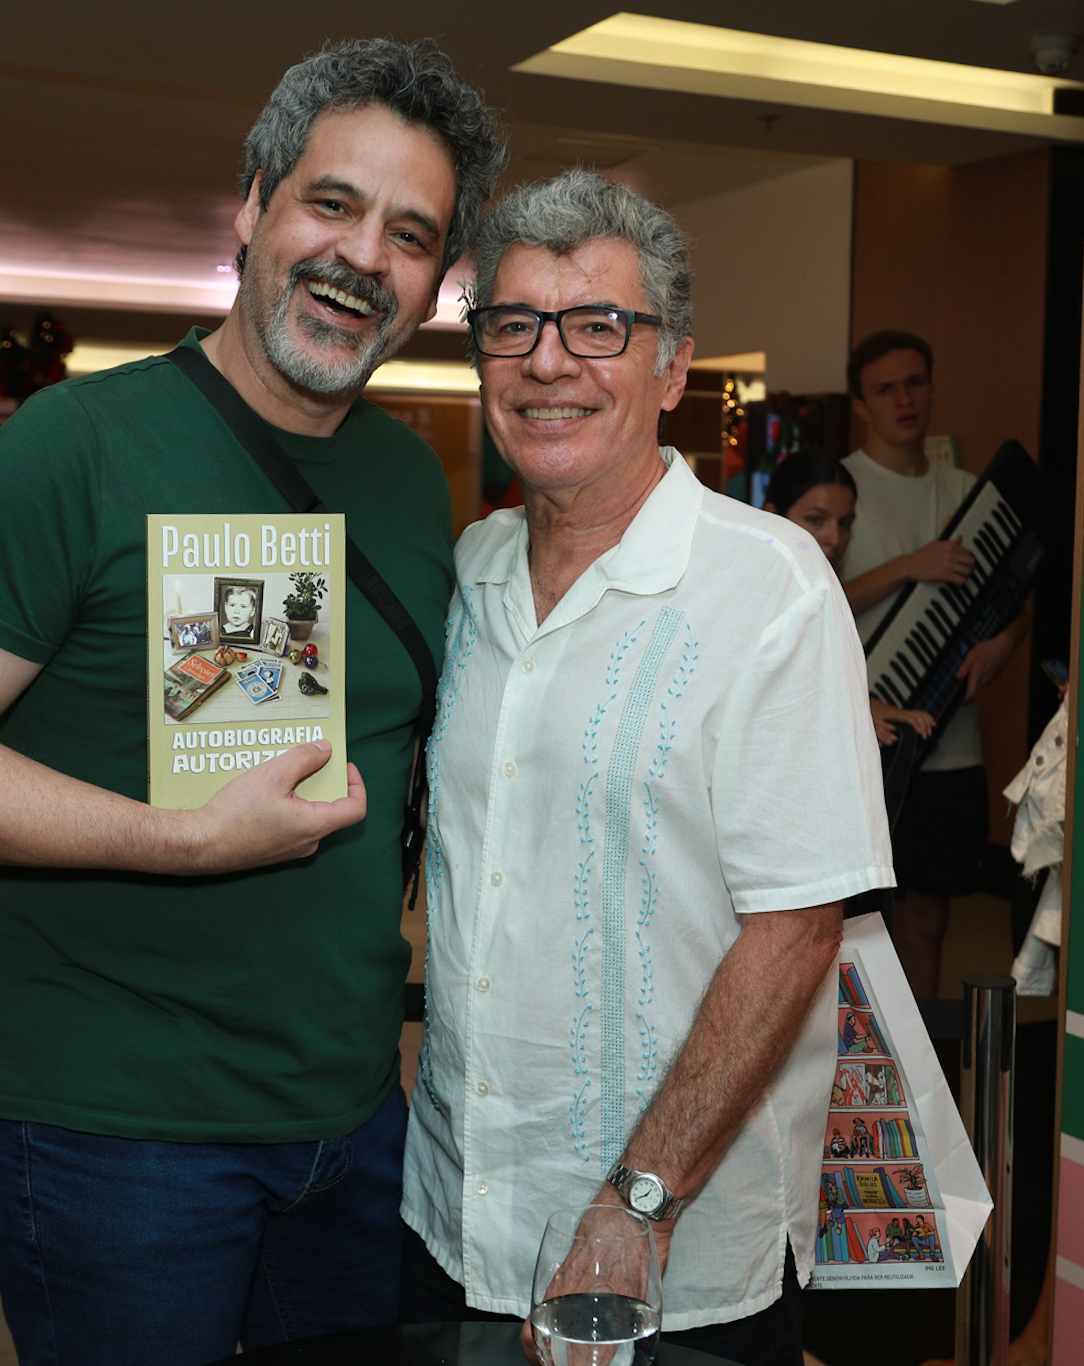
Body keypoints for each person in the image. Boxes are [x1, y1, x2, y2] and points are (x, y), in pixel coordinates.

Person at [0, 38, 505, 1366]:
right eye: (331, 203)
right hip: (114, 1134)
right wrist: (181, 838)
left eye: (411, 234)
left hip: (355, 1109)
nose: (363, 255)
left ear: (434, 285)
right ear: (252, 207)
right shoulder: (69, 452)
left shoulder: (409, 477)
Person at [400, 170, 894, 1366]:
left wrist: (638, 1202)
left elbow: (793, 930)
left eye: (597, 326)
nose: (548, 361)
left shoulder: (767, 586)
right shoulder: (459, 576)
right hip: (449, 1213)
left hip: (671, 1246)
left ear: (671, 370)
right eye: (512, 324)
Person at [836, 331, 1031, 999]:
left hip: (952, 748)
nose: (904, 399)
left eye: (915, 382)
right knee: (856, 923)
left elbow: (1012, 599)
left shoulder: (967, 490)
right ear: (861, 405)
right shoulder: (840, 489)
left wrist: (1004, 644)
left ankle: (920, 1083)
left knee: (928, 917)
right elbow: (808, 596)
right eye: (885, 389)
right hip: (864, 739)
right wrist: (909, 568)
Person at [763, 451, 935, 748]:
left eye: (845, 523)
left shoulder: (817, 592)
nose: (835, 538)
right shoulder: (757, 590)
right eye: (816, 520)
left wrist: (867, 706)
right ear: (773, 515)